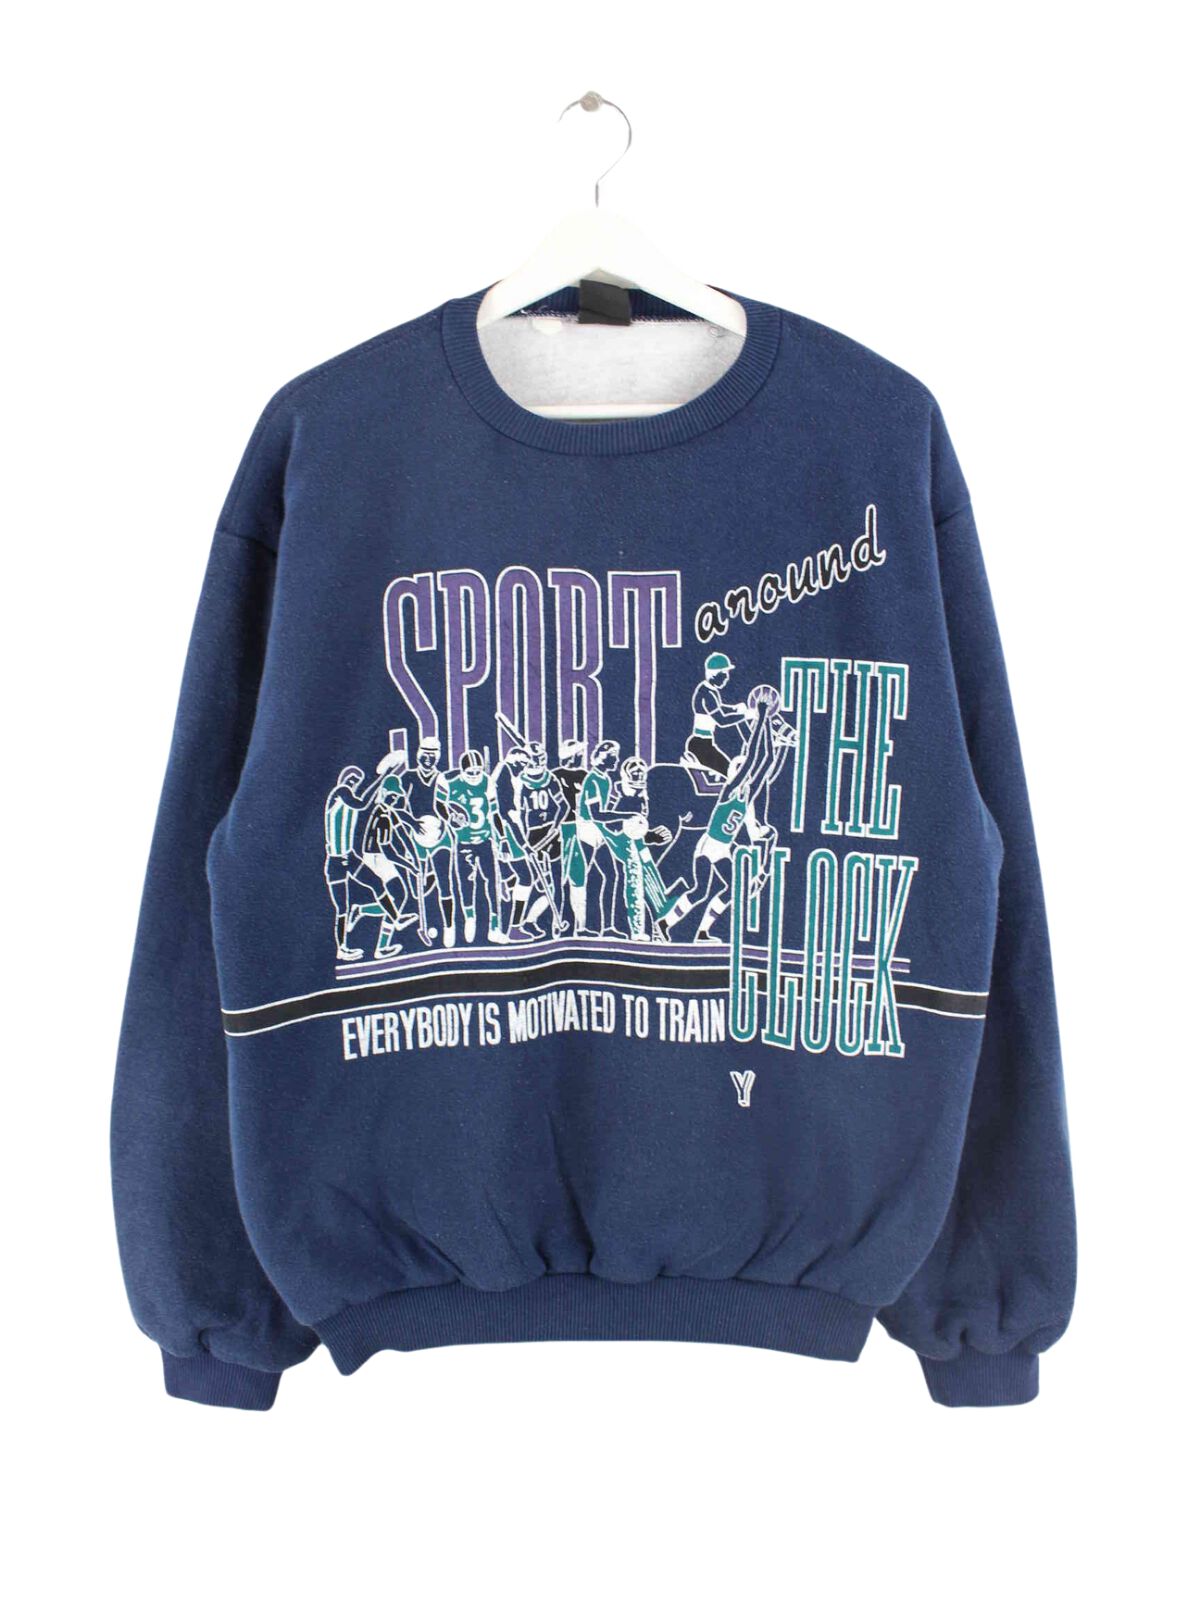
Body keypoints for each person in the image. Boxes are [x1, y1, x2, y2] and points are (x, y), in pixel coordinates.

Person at [398, 735, 456, 947]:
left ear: (438, 757)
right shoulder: (407, 778)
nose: (428, 759)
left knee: (445, 883)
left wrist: (450, 819)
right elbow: (396, 808)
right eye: (425, 754)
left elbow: (443, 806)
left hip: (440, 837)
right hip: (417, 837)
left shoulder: (441, 779)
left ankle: (449, 926)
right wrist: (412, 823)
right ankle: (428, 875)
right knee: (417, 890)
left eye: (433, 755)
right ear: (418, 754)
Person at [444, 748, 506, 944]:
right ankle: (470, 918)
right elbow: (441, 808)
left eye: (478, 771)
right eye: (470, 772)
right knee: (466, 884)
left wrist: (502, 839)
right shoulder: (453, 785)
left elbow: (494, 813)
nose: (474, 775)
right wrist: (451, 818)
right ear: (462, 771)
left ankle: (494, 925)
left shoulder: (487, 782)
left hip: (485, 840)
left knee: (492, 883)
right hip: (464, 842)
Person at [685, 652, 748, 776]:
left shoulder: (710, 690)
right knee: (731, 774)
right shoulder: (707, 693)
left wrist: (734, 709)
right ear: (714, 674)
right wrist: (746, 716)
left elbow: (718, 708)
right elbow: (721, 721)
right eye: (724, 673)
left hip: (704, 743)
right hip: (701, 745)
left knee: (730, 772)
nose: (727, 677)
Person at [553, 738, 589, 934]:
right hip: (561, 829)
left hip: (581, 828)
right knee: (558, 877)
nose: (582, 756)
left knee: (579, 876)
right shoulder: (555, 776)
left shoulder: (584, 775)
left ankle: (581, 924)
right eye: (579, 753)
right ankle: (556, 923)